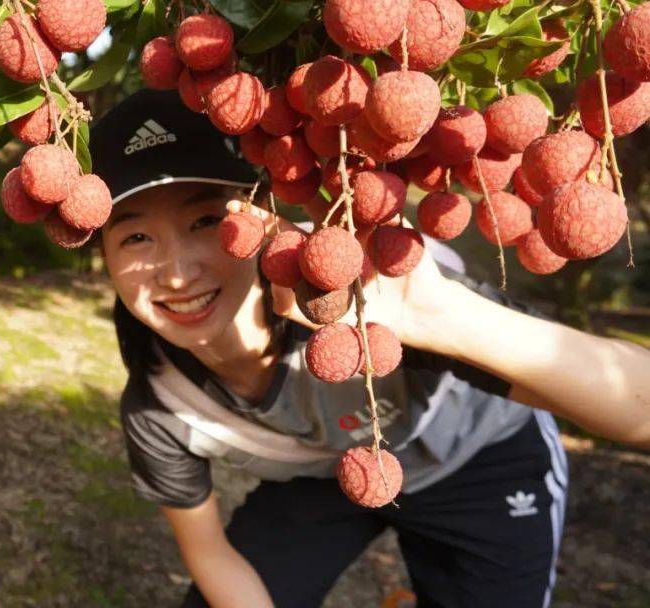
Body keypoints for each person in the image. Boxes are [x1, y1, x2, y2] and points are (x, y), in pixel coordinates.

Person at [86, 89, 650, 608]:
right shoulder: (163, 403)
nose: (177, 273)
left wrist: (435, 318)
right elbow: (210, 555)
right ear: (105, 258)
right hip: (333, 475)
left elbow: (639, 408)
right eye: (135, 236)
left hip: (478, 458)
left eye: (206, 219)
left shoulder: (369, 299)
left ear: (266, 218)